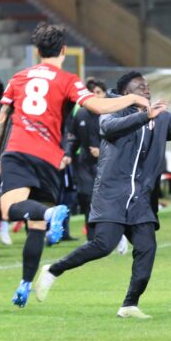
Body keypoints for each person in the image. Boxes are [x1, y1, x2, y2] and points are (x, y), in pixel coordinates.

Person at [33, 71, 171, 318]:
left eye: (147, 86)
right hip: (112, 193)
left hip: (142, 197)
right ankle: (53, 270)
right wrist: (145, 116)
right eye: (139, 86)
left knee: (146, 248)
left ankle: (129, 305)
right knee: (103, 245)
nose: (146, 89)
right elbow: (109, 128)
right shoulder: (113, 111)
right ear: (125, 93)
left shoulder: (161, 118)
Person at [0, 22, 150, 308]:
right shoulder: (69, 80)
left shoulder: (18, 78)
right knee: (35, 223)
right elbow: (97, 107)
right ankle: (25, 283)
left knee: (10, 209)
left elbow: (1, 122)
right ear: (63, 50)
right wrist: (133, 98)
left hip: (19, 150)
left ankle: (52, 214)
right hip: (49, 160)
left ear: (37, 51)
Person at [67, 80, 103, 241]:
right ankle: (92, 239)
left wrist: (103, 152)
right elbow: (73, 138)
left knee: (106, 202)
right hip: (84, 164)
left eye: (99, 92)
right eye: (92, 93)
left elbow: (122, 142)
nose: (96, 96)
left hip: (107, 165)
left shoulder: (111, 114)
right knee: (87, 199)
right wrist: (68, 154)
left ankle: (116, 235)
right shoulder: (80, 114)